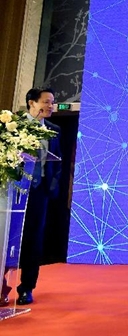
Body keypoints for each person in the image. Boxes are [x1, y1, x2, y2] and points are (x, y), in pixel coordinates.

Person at [1, 88, 62, 306]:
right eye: (46, 102)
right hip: (14, 191)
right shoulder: (13, 126)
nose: (50, 106)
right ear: (32, 103)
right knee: (6, 237)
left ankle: (26, 288)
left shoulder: (54, 130)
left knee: (33, 240)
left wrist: (50, 188)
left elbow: (58, 162)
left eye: (52, 102)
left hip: (39, 193)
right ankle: (2, 286)